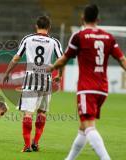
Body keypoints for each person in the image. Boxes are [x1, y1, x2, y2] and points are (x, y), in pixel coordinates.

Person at [47, 4, 126, 160]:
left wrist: (52, 67)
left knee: (89, 127)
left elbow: (64, 58)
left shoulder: (79, 36)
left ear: (82, 18)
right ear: (98, 19)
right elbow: (122, 59)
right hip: (102, 88)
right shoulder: (108, 37)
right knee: (83, 128)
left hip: (86, 88)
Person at [3, 16, 63, 152]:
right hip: (46, 80)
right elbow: (61, 59)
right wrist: (59, 75)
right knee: (42, 112)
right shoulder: (54, 42)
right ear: (49, 27)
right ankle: (35, 142)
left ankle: (27, 145)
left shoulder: (28, 39)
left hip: (31, 79)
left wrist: (7, 72)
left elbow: (16, 57)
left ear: (36, 26)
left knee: (28, 114)